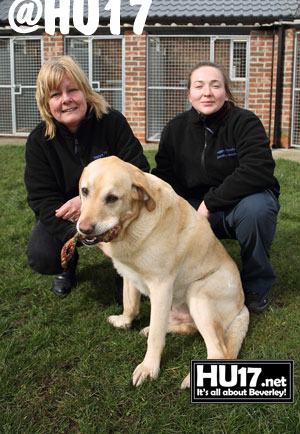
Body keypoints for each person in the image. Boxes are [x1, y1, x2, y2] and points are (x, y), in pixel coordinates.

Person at [152, 61, 280, 314]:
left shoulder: (245, 122)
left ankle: (255, 284)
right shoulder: (174, 130)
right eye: (199, 86)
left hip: (239, 204)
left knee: (258, 209)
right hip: (193, 207)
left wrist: (210, 203)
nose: (207, 92)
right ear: (189, 93)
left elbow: (258, 169)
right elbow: (164, 178)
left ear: (227, 92)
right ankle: (173, 282)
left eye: (215, 85)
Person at [25, 55, 150, 298]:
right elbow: (41, 199)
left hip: (114, 210)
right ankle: (66, 264)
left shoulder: (112, 122)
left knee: (141, 214)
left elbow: (138, 170)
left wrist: (85, 202)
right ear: (45, 102)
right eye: (55, 95)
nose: (66, 100)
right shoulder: (39, 141)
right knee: (42, 255)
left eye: (72, 90)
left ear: (85, 91)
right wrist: (78, 226)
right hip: (67, 216)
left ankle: (126, 270)